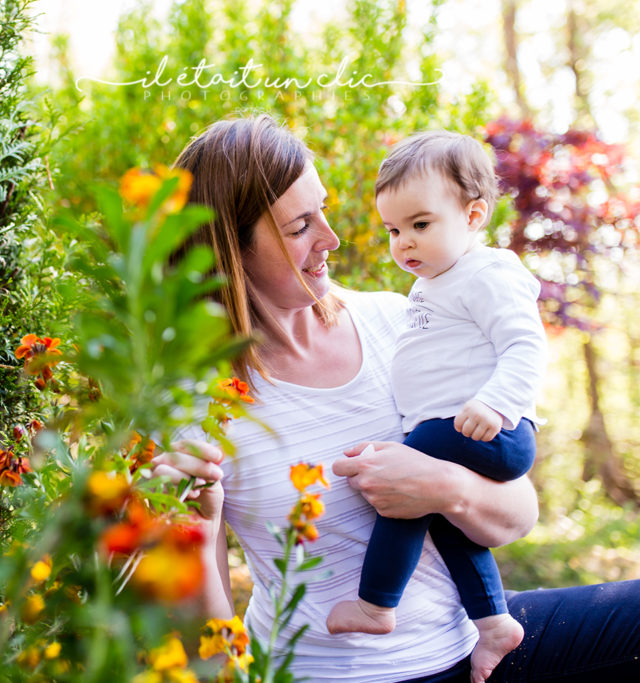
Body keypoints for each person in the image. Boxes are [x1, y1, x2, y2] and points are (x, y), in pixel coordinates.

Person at [152, 114, 640, 682]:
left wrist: (443, 487)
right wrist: (196, 530)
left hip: (477, 643)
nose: (331, 240)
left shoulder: (403, 321)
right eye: (300, 226)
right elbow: (202, 650)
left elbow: (517, 514)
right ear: (228, 251)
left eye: (324, 210)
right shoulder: (193, 405)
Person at [325, 132, 546, 683]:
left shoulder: (487, 273)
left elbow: (526, 345)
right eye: (395, 230)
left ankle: (377, 603)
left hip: (488, 427)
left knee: (404, 478)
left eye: (420, 225)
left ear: (473, 215)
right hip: (457, 427)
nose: (404, 243)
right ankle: (494, 622)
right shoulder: (435, 283)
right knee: (444, 518)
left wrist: (495, 402)